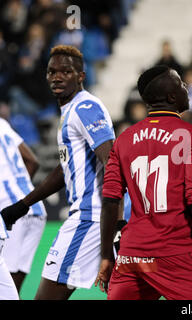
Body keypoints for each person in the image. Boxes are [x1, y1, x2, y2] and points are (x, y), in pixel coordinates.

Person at [95, 65, 192, 300]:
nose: (186, 87)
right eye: (181, 84)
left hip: (131, 256)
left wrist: (106, 256)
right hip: (175, 254)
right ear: (171, 97)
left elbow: (109, 201)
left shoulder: (123, 140)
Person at [0, 45, 115, 300]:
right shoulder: (70, 111)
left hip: (90, 218)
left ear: (81, 76)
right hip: (92, 218)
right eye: (52, 72)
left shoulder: (86, 108)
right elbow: (65, 170)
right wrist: (22, 205)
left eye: (66, 71)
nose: (57, 77)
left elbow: (112, 163)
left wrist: (115, 222)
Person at [0, 116, 47, 294]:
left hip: (8, 213)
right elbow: (33, 161)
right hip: (34, 209)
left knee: (4, 285)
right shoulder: (2, 123)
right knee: (12, 286)